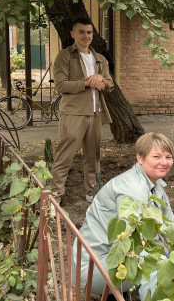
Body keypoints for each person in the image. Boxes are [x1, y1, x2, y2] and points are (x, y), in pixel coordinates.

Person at [73, 132, 174, 300]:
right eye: (156, 156)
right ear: (140, 158)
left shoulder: (155, 185)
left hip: (113, 259)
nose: (164, 162)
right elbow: (133, 242)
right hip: (94, 266)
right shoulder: (131, 188)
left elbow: (170, 226)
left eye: (168, 157)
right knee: (154, 262)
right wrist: (166, 255)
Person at [51, 17, 114, 205]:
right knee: (65, 156)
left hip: (96, 113)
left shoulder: (100, 59)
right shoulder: (65, 56)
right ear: (73, 34)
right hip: (74, 113)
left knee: (93, 156)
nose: (86, 36)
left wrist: (100, 79)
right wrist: (87, 82)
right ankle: (55, 196)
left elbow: (110, 84)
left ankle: (92, 192)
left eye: (89, 32)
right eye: (81, 32)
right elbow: (61, 86)